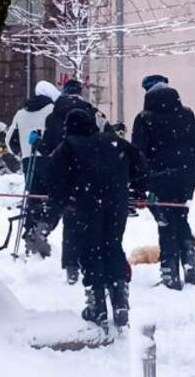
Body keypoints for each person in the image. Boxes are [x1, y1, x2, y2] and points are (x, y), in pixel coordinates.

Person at [48, 108, 146, 334]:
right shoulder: (114, 142)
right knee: (112, 246)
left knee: (90, 251)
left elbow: (55, 177)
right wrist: (138, 189)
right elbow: (139, 162)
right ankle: (120, 299)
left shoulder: (68, 146)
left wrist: (61, 202)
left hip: (86, 205)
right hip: (116, 204)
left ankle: (97, 304)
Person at [131, 74, 195, 289]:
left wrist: (139, 184)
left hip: (159, 179)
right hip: (186, 177)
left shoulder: (144, 118)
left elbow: (138, 154)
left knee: (165, 222)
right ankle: (190, 260)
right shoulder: (186, 114)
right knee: (181, 216)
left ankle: (170, 272)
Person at [39, 79, 111, 284]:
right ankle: (91, 261)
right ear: (80, 93)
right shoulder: (92, 113)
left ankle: (71, 266)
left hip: (63, 172)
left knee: (70, 221)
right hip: (90, 174)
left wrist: (39, 145)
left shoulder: (52, 117)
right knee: (92, 220)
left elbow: (47, 148)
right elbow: (107, 139)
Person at [5, 80, 59, 256]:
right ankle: (43, 229)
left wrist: (22, 151)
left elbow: (10, 140)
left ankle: (30, 230)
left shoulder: (21, 114)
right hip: (51, 160)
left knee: (33, 198)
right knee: (54, 199)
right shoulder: (54, 111)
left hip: (29, 161)